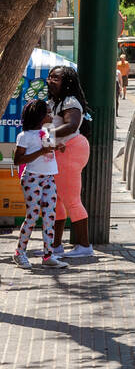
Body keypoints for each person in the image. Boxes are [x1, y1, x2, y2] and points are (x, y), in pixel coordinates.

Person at [11, 100, 68, 269]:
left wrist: (57, 147)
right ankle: (19, 253)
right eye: (48, 113)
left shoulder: (46, 131)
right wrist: (41, 152)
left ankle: (48, 256)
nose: (51, 115)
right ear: (39, 116)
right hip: (32, 179)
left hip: (49, 178)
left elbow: (47, 151)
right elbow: (18, 160)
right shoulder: (24, 136)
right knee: (32, 216)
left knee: (50, 216)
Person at [46, 65, 94, 259]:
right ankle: (55, 245)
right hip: (63, 150)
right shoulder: (56, 101)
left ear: (67, 82)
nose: (50, 80)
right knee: (56, 199)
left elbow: (72, 124)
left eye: (55, 78)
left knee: (71, 199)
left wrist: (46, 136)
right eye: (50, 77)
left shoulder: (70, 101)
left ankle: (84, 245)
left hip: (71, 149)